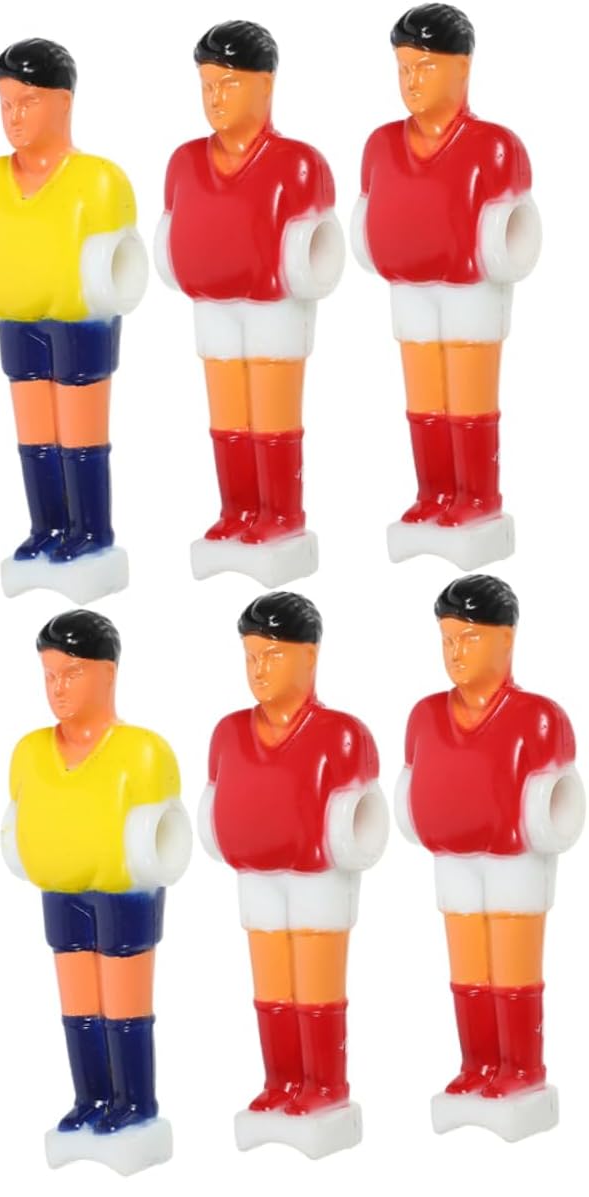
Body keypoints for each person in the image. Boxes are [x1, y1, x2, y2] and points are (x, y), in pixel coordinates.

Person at [200, 592, 387, 1158]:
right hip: (255, 876)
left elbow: (362, 812)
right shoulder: (228, 733)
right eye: (251, 656)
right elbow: (216, 796)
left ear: (309, 656)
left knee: (316, 986)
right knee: (272, 990)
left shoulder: (342, 735)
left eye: (272, 655)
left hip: (317, 879)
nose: (258, 669)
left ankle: (325, 1084)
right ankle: (280, 1080)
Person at [396, 575, 584, 1140]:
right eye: (447, 640)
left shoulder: (539, 718)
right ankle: (477, 1064)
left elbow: (558, 796)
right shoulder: (424, 716)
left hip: (515, 863)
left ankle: (522, 1068)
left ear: (506, 639)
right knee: (468, 972)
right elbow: (413, 780)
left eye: (469, 638)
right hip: (451, 860)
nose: (455, 653)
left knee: (513, 970)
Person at [3, 609, 190, 1174]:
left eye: (71, 673)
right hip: (59, 890)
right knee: (78, 1005)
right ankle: (91, 1097)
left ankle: (134, 1102)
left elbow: (163, 830)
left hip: (124, 894)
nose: (57, 688)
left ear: (107, 673)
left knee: (125, 1005)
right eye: (49, 675)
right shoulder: (29, 752)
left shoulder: (142, 752)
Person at [157, 21, 345, 584]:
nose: (215, 98)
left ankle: (281, 513)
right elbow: (172, 224)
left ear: (265, 84)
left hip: (274, 307)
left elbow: (318, 238)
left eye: (228, 84)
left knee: (272, 415)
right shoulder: (184, 162)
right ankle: (236, 510)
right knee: (227, 419)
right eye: (207, 85)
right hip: (211, 305)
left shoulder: (298, 163)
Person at [353, 5, 541, 567]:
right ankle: (433, 493)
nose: (411, 81)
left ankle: (478, 497)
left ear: (462, 68)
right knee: (424, 402)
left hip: (470, 291)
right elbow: (368, 209)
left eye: (425, 67)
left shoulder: (494, 146)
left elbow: (514, 223)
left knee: (469, 399)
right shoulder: (381, 145)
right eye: (403, 68)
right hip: (407, 288)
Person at [0, 39, 147, 601]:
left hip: (80, 324)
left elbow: (119, 258)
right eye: (5, 104)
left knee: (81, 434)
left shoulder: (99, 180)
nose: (13, 117)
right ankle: (46, 526)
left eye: (27, 102)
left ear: (63, 102)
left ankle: (90, 530)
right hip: (15, 319)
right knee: (35, 435)